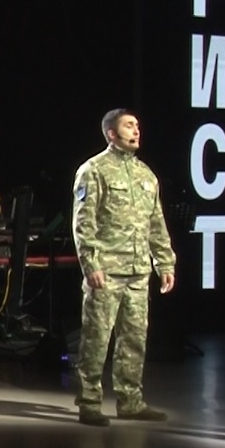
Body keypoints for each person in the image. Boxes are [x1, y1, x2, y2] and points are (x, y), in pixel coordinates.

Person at [71, 108, 176, 426]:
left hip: (137, 272)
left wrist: (165, 261)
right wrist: (90, 264)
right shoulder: (94, 170)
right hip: (106, 271)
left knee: (133, 339)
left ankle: (130, 401)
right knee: (96, 339)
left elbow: (156, 222)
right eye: (129, 126)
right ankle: (89, 402)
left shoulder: (146, 175)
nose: (136, 130)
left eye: (137, 125)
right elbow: (83, 222)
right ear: (111, 134)